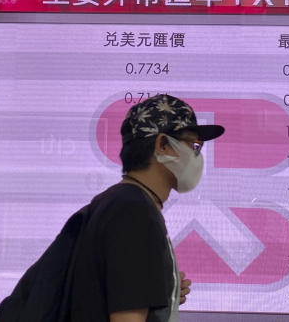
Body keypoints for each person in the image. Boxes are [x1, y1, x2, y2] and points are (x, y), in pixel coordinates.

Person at [69, 94, 225, 322]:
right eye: (193, 146)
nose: (196, 156)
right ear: (163, 145)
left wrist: (162, 292)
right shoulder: (133, 213)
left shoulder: (116, 201)